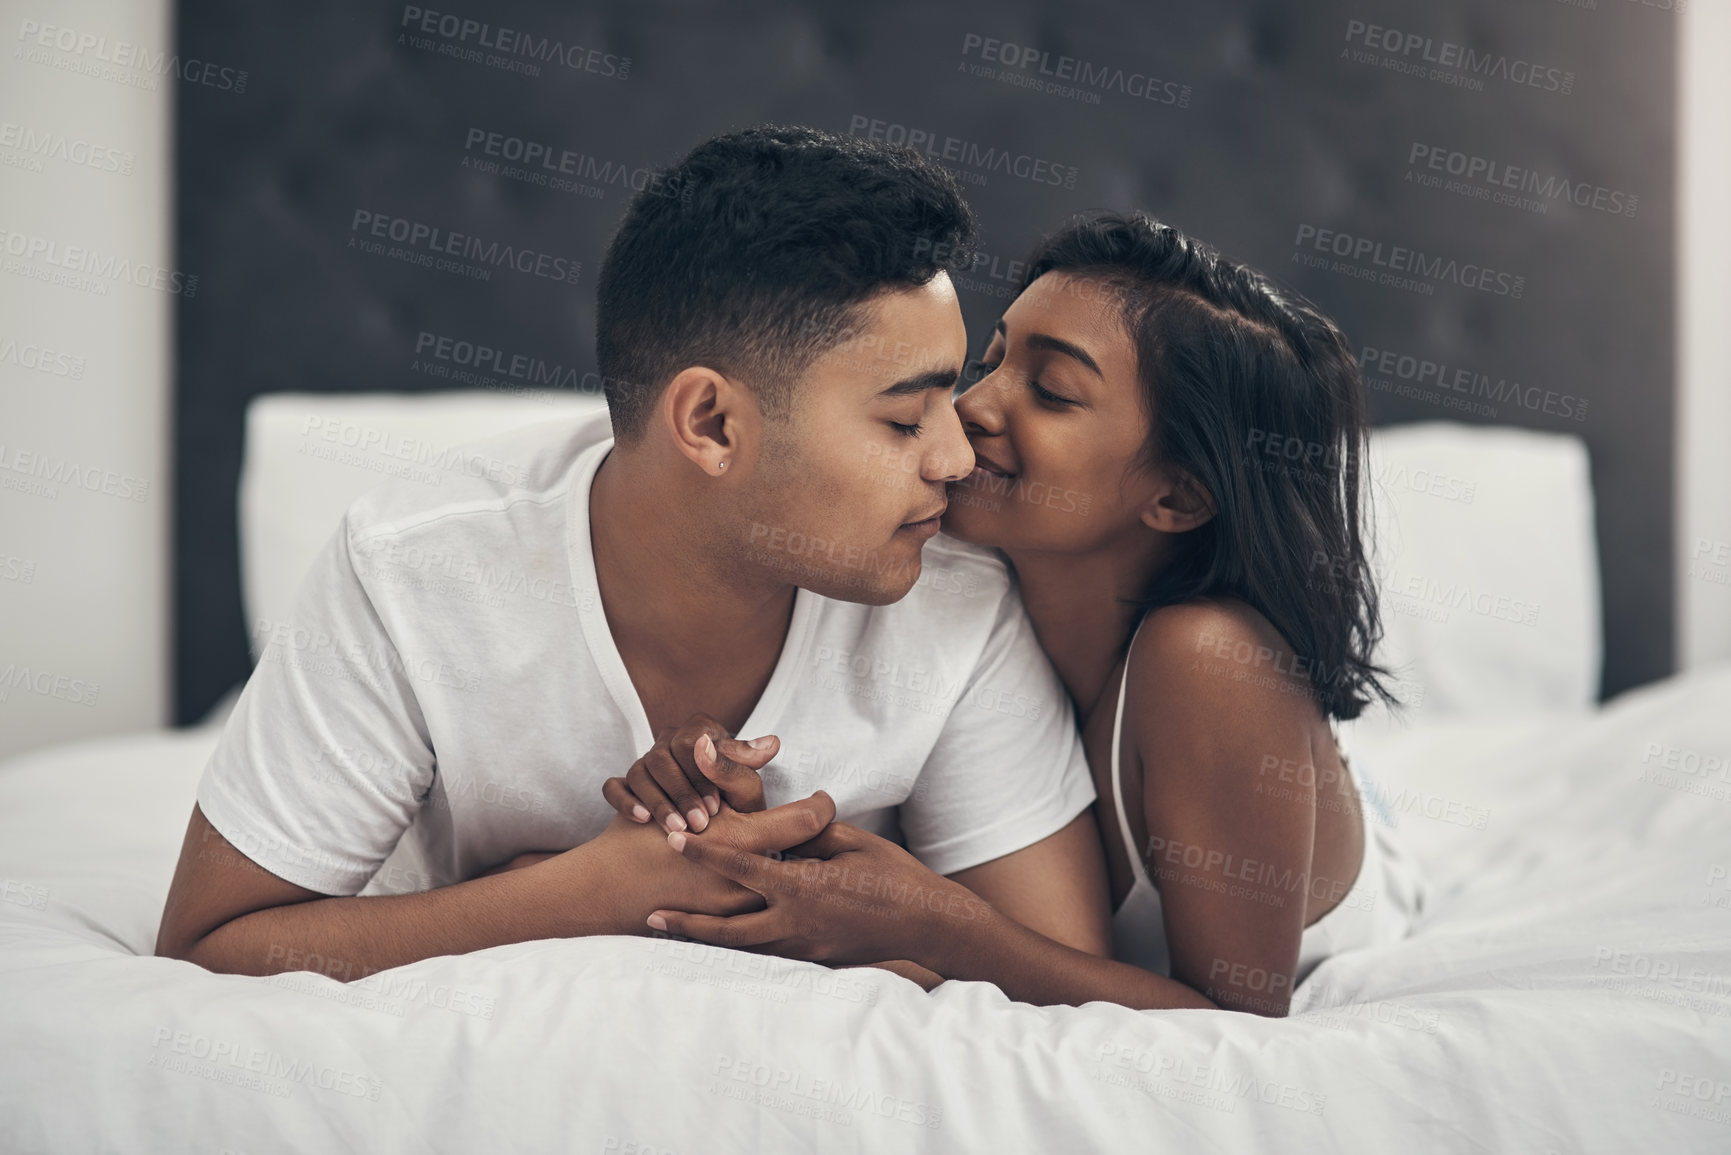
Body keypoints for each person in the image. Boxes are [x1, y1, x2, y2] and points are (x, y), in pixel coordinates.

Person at [153, 126, 1112, 983]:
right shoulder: (413, 572)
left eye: (949, 402)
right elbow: (211, 945)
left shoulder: (958, 588)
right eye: (905, 417)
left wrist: (874, 919)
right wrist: (592, 892)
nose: (956, 459)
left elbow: (1070, 981)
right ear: (711, 422)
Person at [629, 211, 1427, 1015]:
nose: (969, 407)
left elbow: (1233, 1024)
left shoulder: (1209, 660)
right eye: (990, 360)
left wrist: (940, 927)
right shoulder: (928, 549)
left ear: (1178, 494)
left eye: (1050, 391)